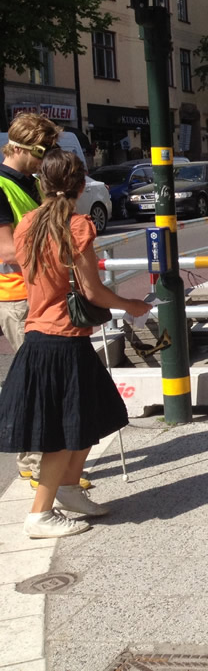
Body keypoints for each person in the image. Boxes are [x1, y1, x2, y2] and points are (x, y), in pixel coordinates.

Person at [0, 150, 151, 538]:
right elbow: (93, 291)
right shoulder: (77, 225)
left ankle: (68, 489)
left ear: (43, 184)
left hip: (42, 336)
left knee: (95, 415)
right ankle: (39, 514)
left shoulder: (28, 223)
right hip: (62, 340)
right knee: (62, 432)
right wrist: (132, 305)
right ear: (82, 185)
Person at [0, 113, 64, 488]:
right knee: (38, 382)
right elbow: (6, 249)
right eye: (44, 152)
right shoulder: (2, 187)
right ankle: (39, 467)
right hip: (18, 296)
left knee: (41, 380)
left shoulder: (29, 182)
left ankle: (37, 460)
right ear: (25, 148)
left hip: (38, 292)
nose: (47, 160)